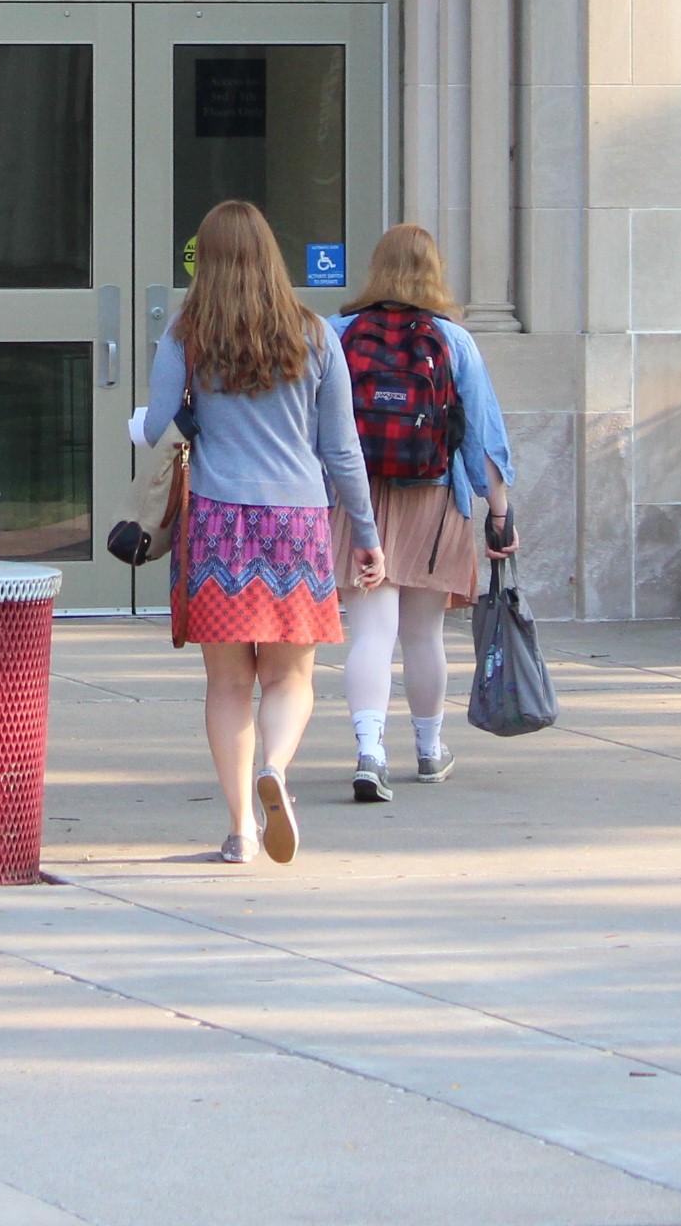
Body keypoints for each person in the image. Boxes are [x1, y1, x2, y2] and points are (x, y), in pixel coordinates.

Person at [131, 200, 384, 866]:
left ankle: (241, 827)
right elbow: (341, 449)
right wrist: (366, 532)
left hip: (217, 519)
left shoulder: (189, 333)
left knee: (227, 685)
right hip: (297, 523)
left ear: (205, 262)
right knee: (291, 677)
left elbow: (156, 423)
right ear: (271, 256)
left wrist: (192, 412)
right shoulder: (314, 335)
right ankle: (276, 766)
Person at [331, 223, 515, 801]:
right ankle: (431, 750)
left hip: (358, 500)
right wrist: (499, 514)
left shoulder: (338, 333)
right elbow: (483, 437)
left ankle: (369, 750)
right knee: (422, 634)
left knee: (370, 632)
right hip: (433, 499)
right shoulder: (453, 340)